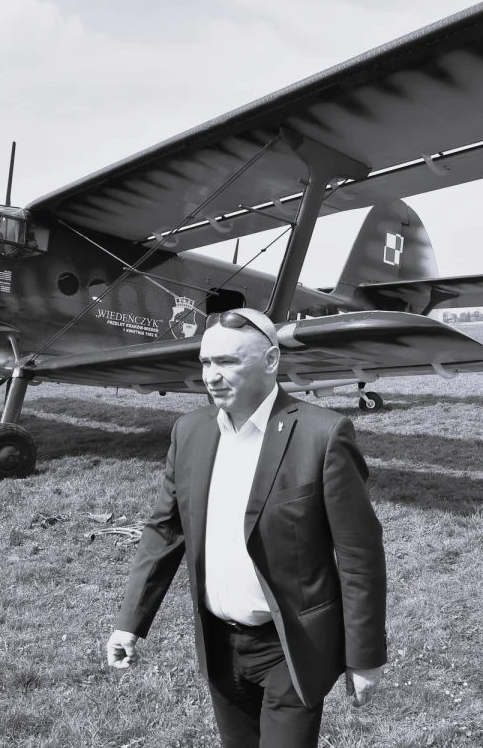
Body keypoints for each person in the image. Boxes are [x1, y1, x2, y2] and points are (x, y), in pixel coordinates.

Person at [105, 308, 387, 748]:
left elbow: (359, 555)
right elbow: (164, 530)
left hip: (292, 647)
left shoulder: (323, 435)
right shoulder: (189, 432)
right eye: (205, 363)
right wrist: (130, 622)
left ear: (271, 360)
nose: (212, 376)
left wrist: (364, 657)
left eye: (229, 362)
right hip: (219, 645)